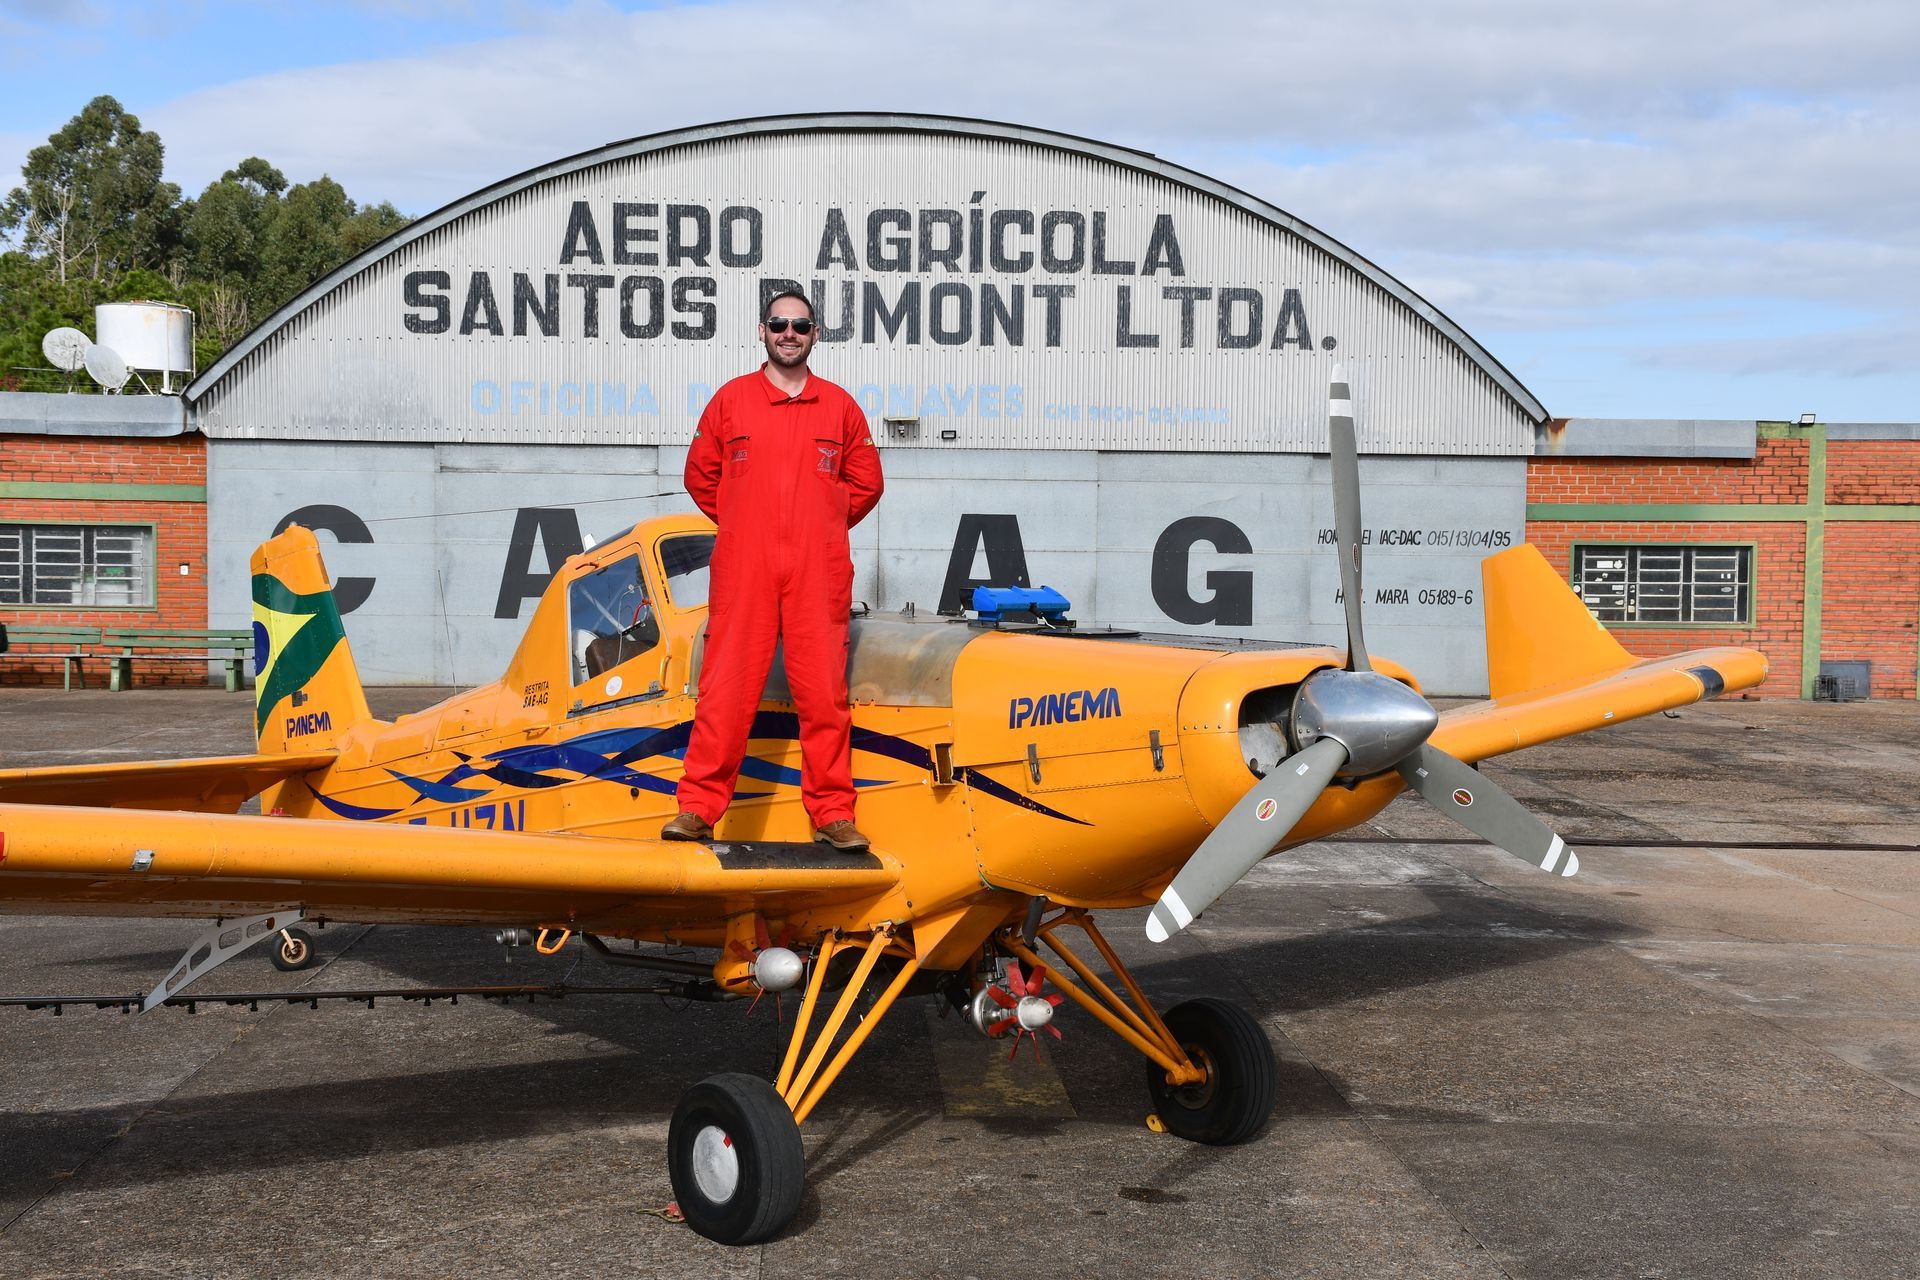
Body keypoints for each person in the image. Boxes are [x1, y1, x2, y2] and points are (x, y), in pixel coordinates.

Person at [663, 290, 884, 850]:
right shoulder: (730, 401)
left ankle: (832, 814)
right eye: (779, 324)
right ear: (762, 331)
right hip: (745, 567)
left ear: (815, 335)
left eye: (801, 325)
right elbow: (700, 476)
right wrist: (745, 521)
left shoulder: (840, 407)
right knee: (724, 690)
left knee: (824, 698)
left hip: (817, 570)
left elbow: (867, 483)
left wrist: (822, 523)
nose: (790, 333)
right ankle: (697, 809)